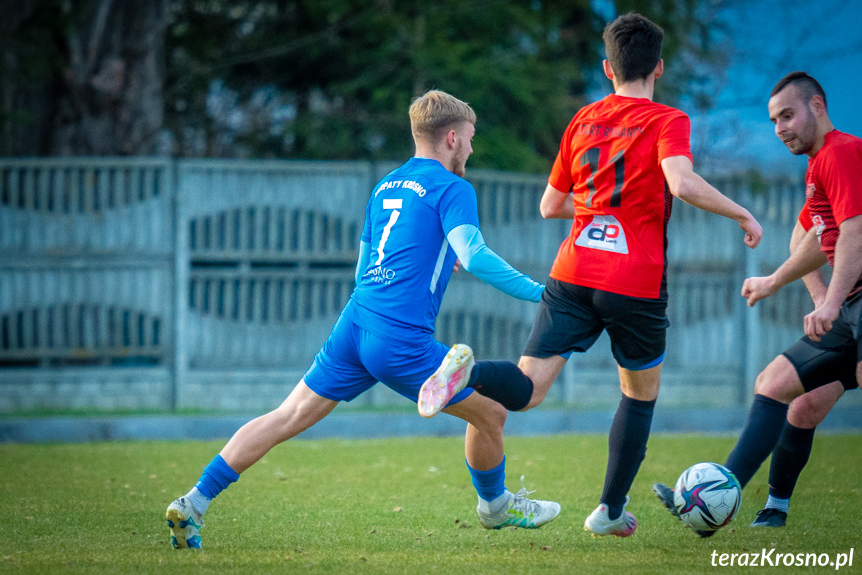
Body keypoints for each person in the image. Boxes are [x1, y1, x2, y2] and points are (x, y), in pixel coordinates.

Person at [165, 90, 561, 549]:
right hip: (399, 338)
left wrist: (431, 258)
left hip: (355, 323)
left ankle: (192, 502)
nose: (471, 149)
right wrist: (542, 293)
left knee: (287, 414)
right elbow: (474, 255)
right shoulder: (454, 188)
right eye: (470, 139)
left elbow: (364, 269)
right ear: (452, 137)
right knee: (491, 412)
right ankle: (495, 507)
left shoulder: (385, 185)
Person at [417, 13, 762, 539]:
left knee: (528, 389)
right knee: (639, 394)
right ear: (659, 68)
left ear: (607, 68)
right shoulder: (667, 120)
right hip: (635, 280)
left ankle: (468, 373)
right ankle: (608, 510)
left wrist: (601, 206)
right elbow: (682, 181)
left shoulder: (583, 119)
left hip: (574, 271)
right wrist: (741, 213)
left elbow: (549, 204)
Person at [654, 71, 862, 536]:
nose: (780, 128)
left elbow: (854, 232)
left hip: (853, 305)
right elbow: (808, 239)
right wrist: (776, 283)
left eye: (788, 115)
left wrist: (828, 304)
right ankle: (722, 503)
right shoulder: (818, 166)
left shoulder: (844, 152)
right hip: (849, 310)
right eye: (772, 120)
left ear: (819, 106)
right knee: (780, 388)